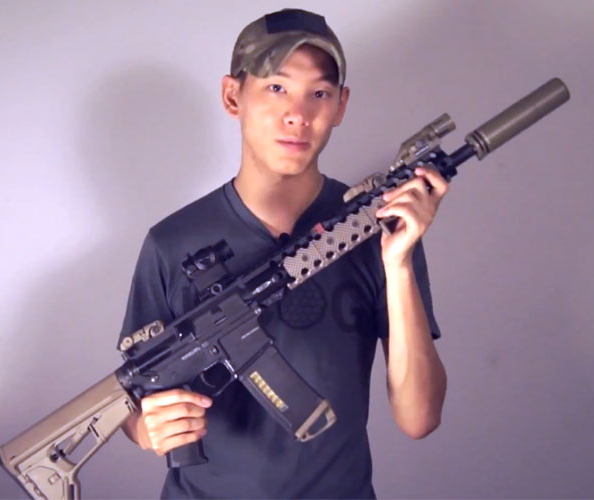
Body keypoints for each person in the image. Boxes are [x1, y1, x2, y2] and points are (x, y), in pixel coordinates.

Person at [118, 8, 447, 499]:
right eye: (276, 87)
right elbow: (131, 395)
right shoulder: (172, 242)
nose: (298, 114)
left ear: (341, 105)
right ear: (233, 96)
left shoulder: (377, 229)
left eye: (319, 93)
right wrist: (143, 428)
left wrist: (398, 262)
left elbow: (419, 418)